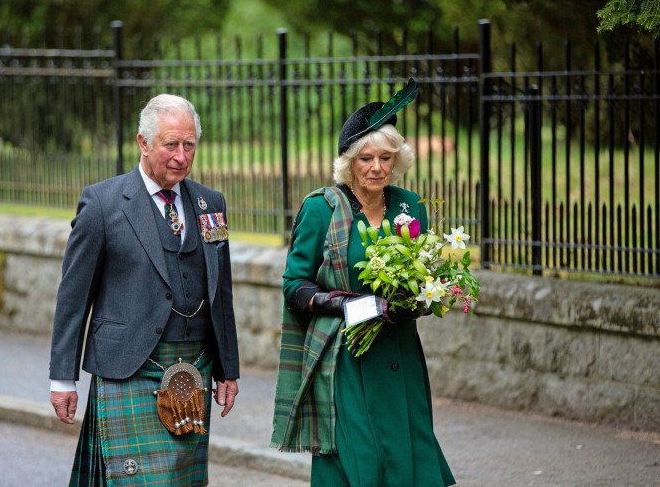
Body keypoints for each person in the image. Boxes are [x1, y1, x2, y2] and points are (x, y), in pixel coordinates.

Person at [49, 93, 239, 486]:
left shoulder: (210, 204)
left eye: (189, 145)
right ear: (143, 142)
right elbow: (73, 296)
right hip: (127, 368)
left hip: (193, 369)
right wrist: (62, 379)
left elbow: (221, 292)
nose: (181, 157)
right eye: (171, 145)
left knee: (181, 480)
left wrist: (228, 368)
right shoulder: (102, 203)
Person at [271, 80, 455, 486]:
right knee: (361, 456)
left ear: (397, 159)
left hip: (398, 353)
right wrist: (348, 304)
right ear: (350, 162)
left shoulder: (411, 205)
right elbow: (294, 285)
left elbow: (424, 270)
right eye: (366, 158)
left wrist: (422, 299)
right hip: (345, 358)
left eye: (386, 158)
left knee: (409, 446)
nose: (376, 167)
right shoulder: (321, 209)